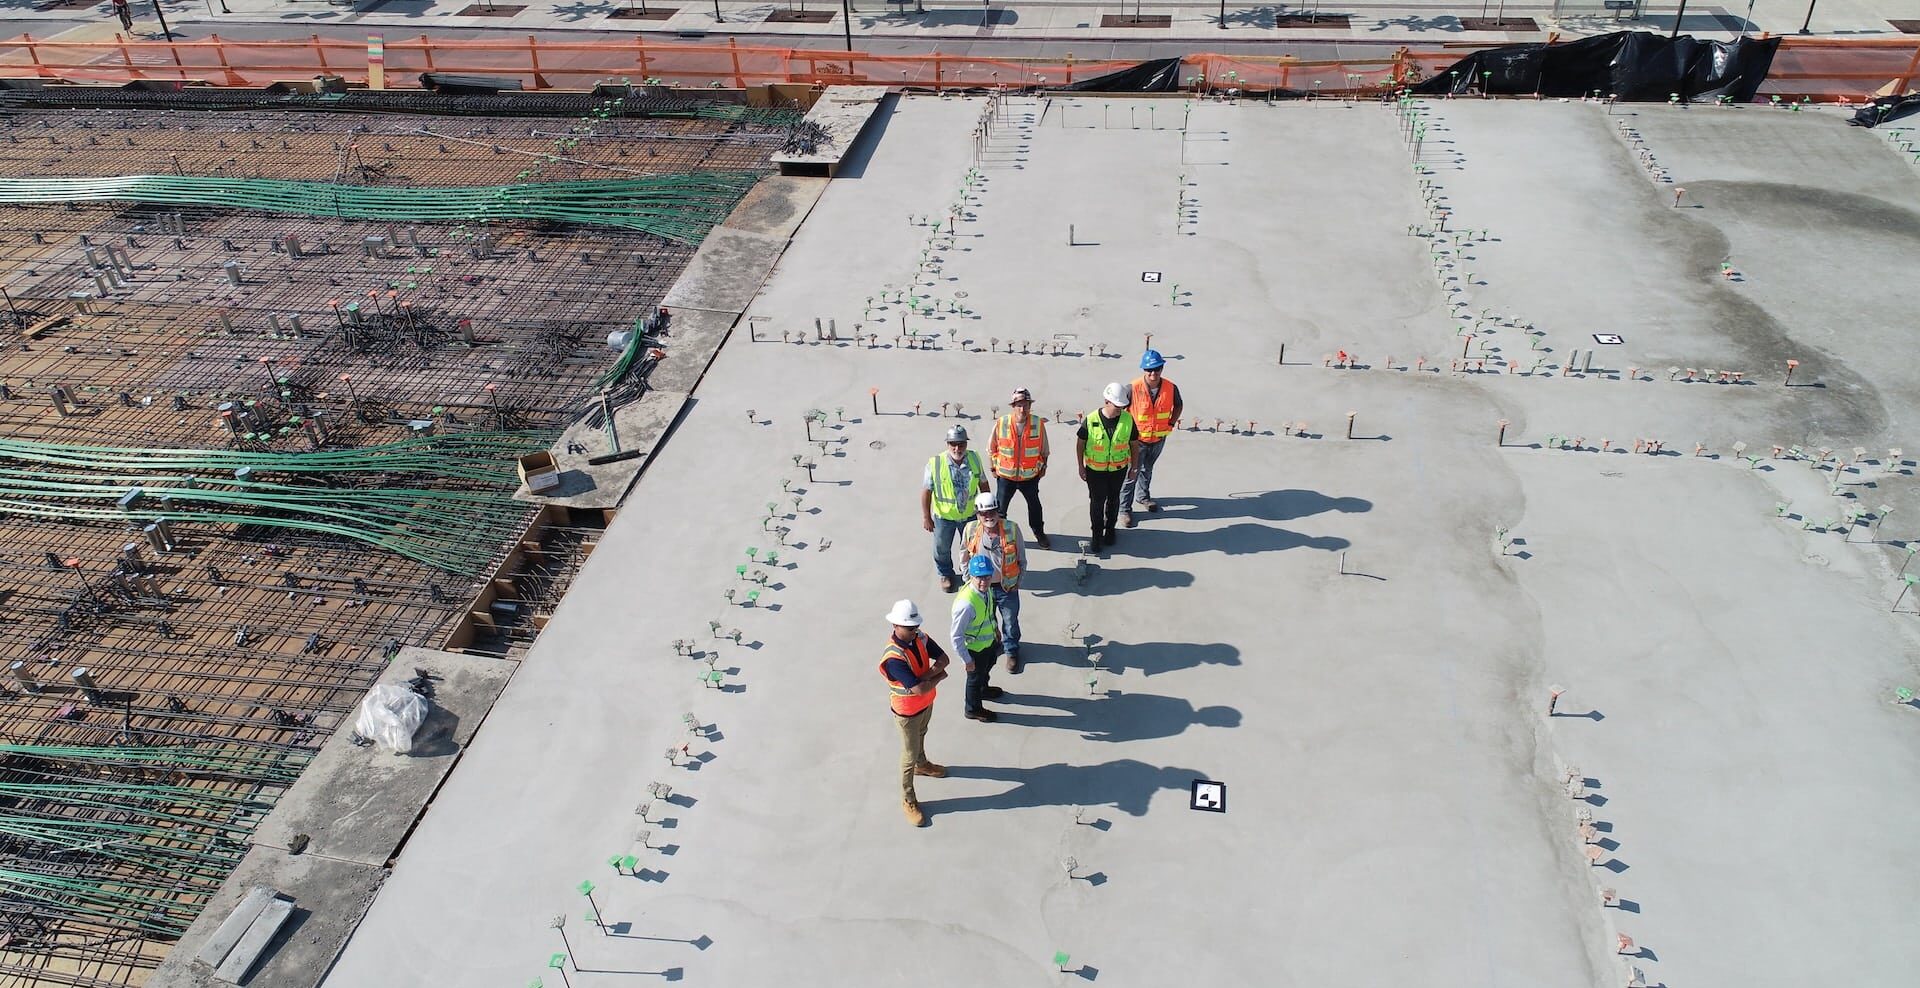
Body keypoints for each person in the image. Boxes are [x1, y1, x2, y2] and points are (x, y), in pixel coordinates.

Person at [880, 599, 950, 828]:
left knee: (923, 733)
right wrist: (937, 676)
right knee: (908, 756)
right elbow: (919, 687)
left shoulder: (920, 637)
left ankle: (923, 764)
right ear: (896, 626)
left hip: (925, 704)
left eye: (915, 626)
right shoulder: (894, 658)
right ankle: (908, 799)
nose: (914, 631)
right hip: (907, 711)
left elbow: (944, 658)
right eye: (910, 627)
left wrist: (929, 677)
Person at [958, 491, 1026, 673]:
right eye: (984, 513)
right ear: (978, 515)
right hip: (981, 589)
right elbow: (964, 556)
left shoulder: (1012, 529)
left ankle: (1011, 650)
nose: (989, 516)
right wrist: (967, 579)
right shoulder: (970, 530)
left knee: (1010, 621)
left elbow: (1022, 558)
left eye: (992, 512)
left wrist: (1019, 580)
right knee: (988, 619)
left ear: (998, 511)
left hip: (1007, 587)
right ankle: (996, 644)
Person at [1121, 349, 1182, 528]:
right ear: (1143, 370)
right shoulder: (1132, 388)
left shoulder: (1171, 387)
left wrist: (1171, 423)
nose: (1153, 373)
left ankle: (1143, 497)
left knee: (1147, 470)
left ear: (1162, 368)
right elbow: (1119, 408)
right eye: (1149, 370)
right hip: (1136, 441)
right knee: (1131, 474)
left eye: (1156, 369)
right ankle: (1124, 509)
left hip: (1158, 439)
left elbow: (1178, 405)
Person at [1077, 382, 1141, 553]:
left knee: (1113, 500)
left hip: (1117, 470)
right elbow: (1080, 443)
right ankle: (1096, 535)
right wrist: (1080, 466)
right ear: (1107, 401)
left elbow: (1134, 445)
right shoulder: (1091, 420)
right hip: (1095, 471)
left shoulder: (1128, 420)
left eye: (1122, 405)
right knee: (1097, 503)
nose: (1120, 409)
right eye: (1117, 405)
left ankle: (1110, 530)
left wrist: (1134, 467)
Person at [922, 424, 986, 593]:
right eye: (953, 444)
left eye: (961, 444)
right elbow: (926, 492)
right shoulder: (935, 463)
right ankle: (945, 574)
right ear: (947, 444)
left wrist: (985, 511)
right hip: (944, 517)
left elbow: (983, 485)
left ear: (966, 444)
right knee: (941, 548)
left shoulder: (974, 459)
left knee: (973, 546)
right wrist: (926, 517)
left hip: (970, 515)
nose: (957, 448)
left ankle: (972, 574)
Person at [988, 387, 1051, 549]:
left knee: (1035, 507)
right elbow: (992, 447)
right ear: (1013, 406)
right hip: (1005, 476)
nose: (1022, 409)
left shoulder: (1038, 423)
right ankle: (999, 536)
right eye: (1019, 405)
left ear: (1030, 406)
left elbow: (1044, 450)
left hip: (1029, 477)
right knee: (1000, 509)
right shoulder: (1002, 423)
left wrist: (1043, 466)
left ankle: (1039, 532)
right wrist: (993, 467)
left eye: (1026, 405)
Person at [950, 554, 1005, 722]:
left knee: (988, 666)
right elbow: (956, 636)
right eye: (979, 577)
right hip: (974, 650)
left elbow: (988, 611)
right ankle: (973, 709)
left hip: (987, 643)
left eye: (987, 577)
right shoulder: (966, 605)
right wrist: (966, 660)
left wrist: (995, 629)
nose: (983, 581)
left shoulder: (986, 590)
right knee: (974, 679)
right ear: (971, 576)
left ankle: (983, 688)